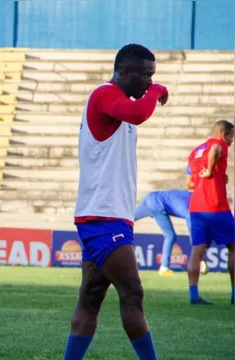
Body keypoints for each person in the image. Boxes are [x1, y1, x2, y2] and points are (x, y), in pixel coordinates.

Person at [64, 44, 168, 360]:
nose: (150, 82)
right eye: (146, 76)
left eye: (154, 76)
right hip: (103, 215)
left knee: (92, 297)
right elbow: (139, 113)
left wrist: (150, 91)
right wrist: (157, 91)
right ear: (125, 72)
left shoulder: (116, 103)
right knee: (132, 293)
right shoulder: (104, 94)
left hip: (108, 214)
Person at [186, 120, 234, 305]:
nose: (232, 141)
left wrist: (219, 176)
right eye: (231, 136)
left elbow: (191, 183)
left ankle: (194, 294)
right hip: (215, 205)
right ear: (223, 134)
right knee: (233, 246)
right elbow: (216, 148)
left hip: (196, 207)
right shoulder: (218, 144)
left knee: (197, 251)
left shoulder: (196, 151)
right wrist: (211, 171)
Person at [134, 189, 192, 276]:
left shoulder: (192, 198)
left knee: (128, 219)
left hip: (151, 197)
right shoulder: (190, 206)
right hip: (157, 204)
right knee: (170, 236)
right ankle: (164, 268)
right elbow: (192, 226)